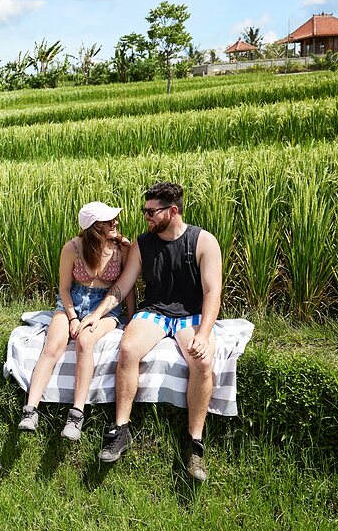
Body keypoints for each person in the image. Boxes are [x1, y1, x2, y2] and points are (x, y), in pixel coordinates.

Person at [89, 182, 222, 482]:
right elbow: (123, 286)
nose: (145, 216)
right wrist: (97, 315)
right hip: (155, 312)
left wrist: (203, 333)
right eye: (144, 211)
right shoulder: (142, 245)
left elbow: (213, 291)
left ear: (172, 211)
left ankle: (195, 444)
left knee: (202, 361)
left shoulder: (203, 242)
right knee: (127, 348)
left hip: (191, 314)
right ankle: (120, 429)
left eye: (151, 212)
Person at [18, 201, 135, 441]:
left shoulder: (121, 249)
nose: (116, 222)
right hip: (72, 302)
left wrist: (131, 318)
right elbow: (63, 288)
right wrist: (71, 316)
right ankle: (30, 410)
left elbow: (127, 288)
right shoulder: (72, 248)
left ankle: (77, 413)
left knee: (85, 341)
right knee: (53, 345)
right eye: (109, 220)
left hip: (106, 309)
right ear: (94, 227)